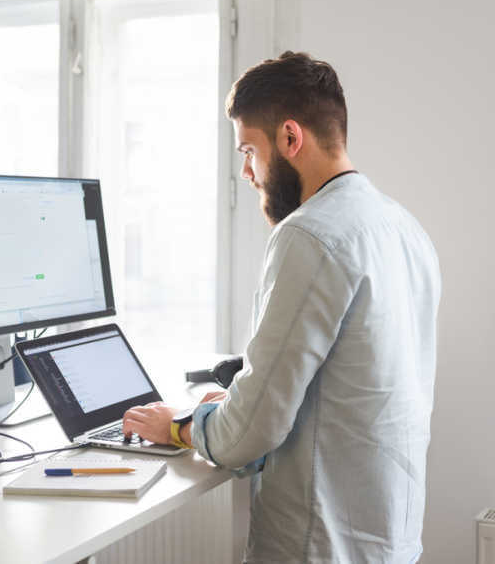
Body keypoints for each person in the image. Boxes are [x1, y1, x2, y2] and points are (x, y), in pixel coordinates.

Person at [122, 51, 441, 563]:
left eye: (249, 150)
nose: (247, 172)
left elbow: (251, 433)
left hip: (317, 546)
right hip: (388, 542)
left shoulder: (310, 234)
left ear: (291, 138)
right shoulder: (402, 227)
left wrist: (179, 424)